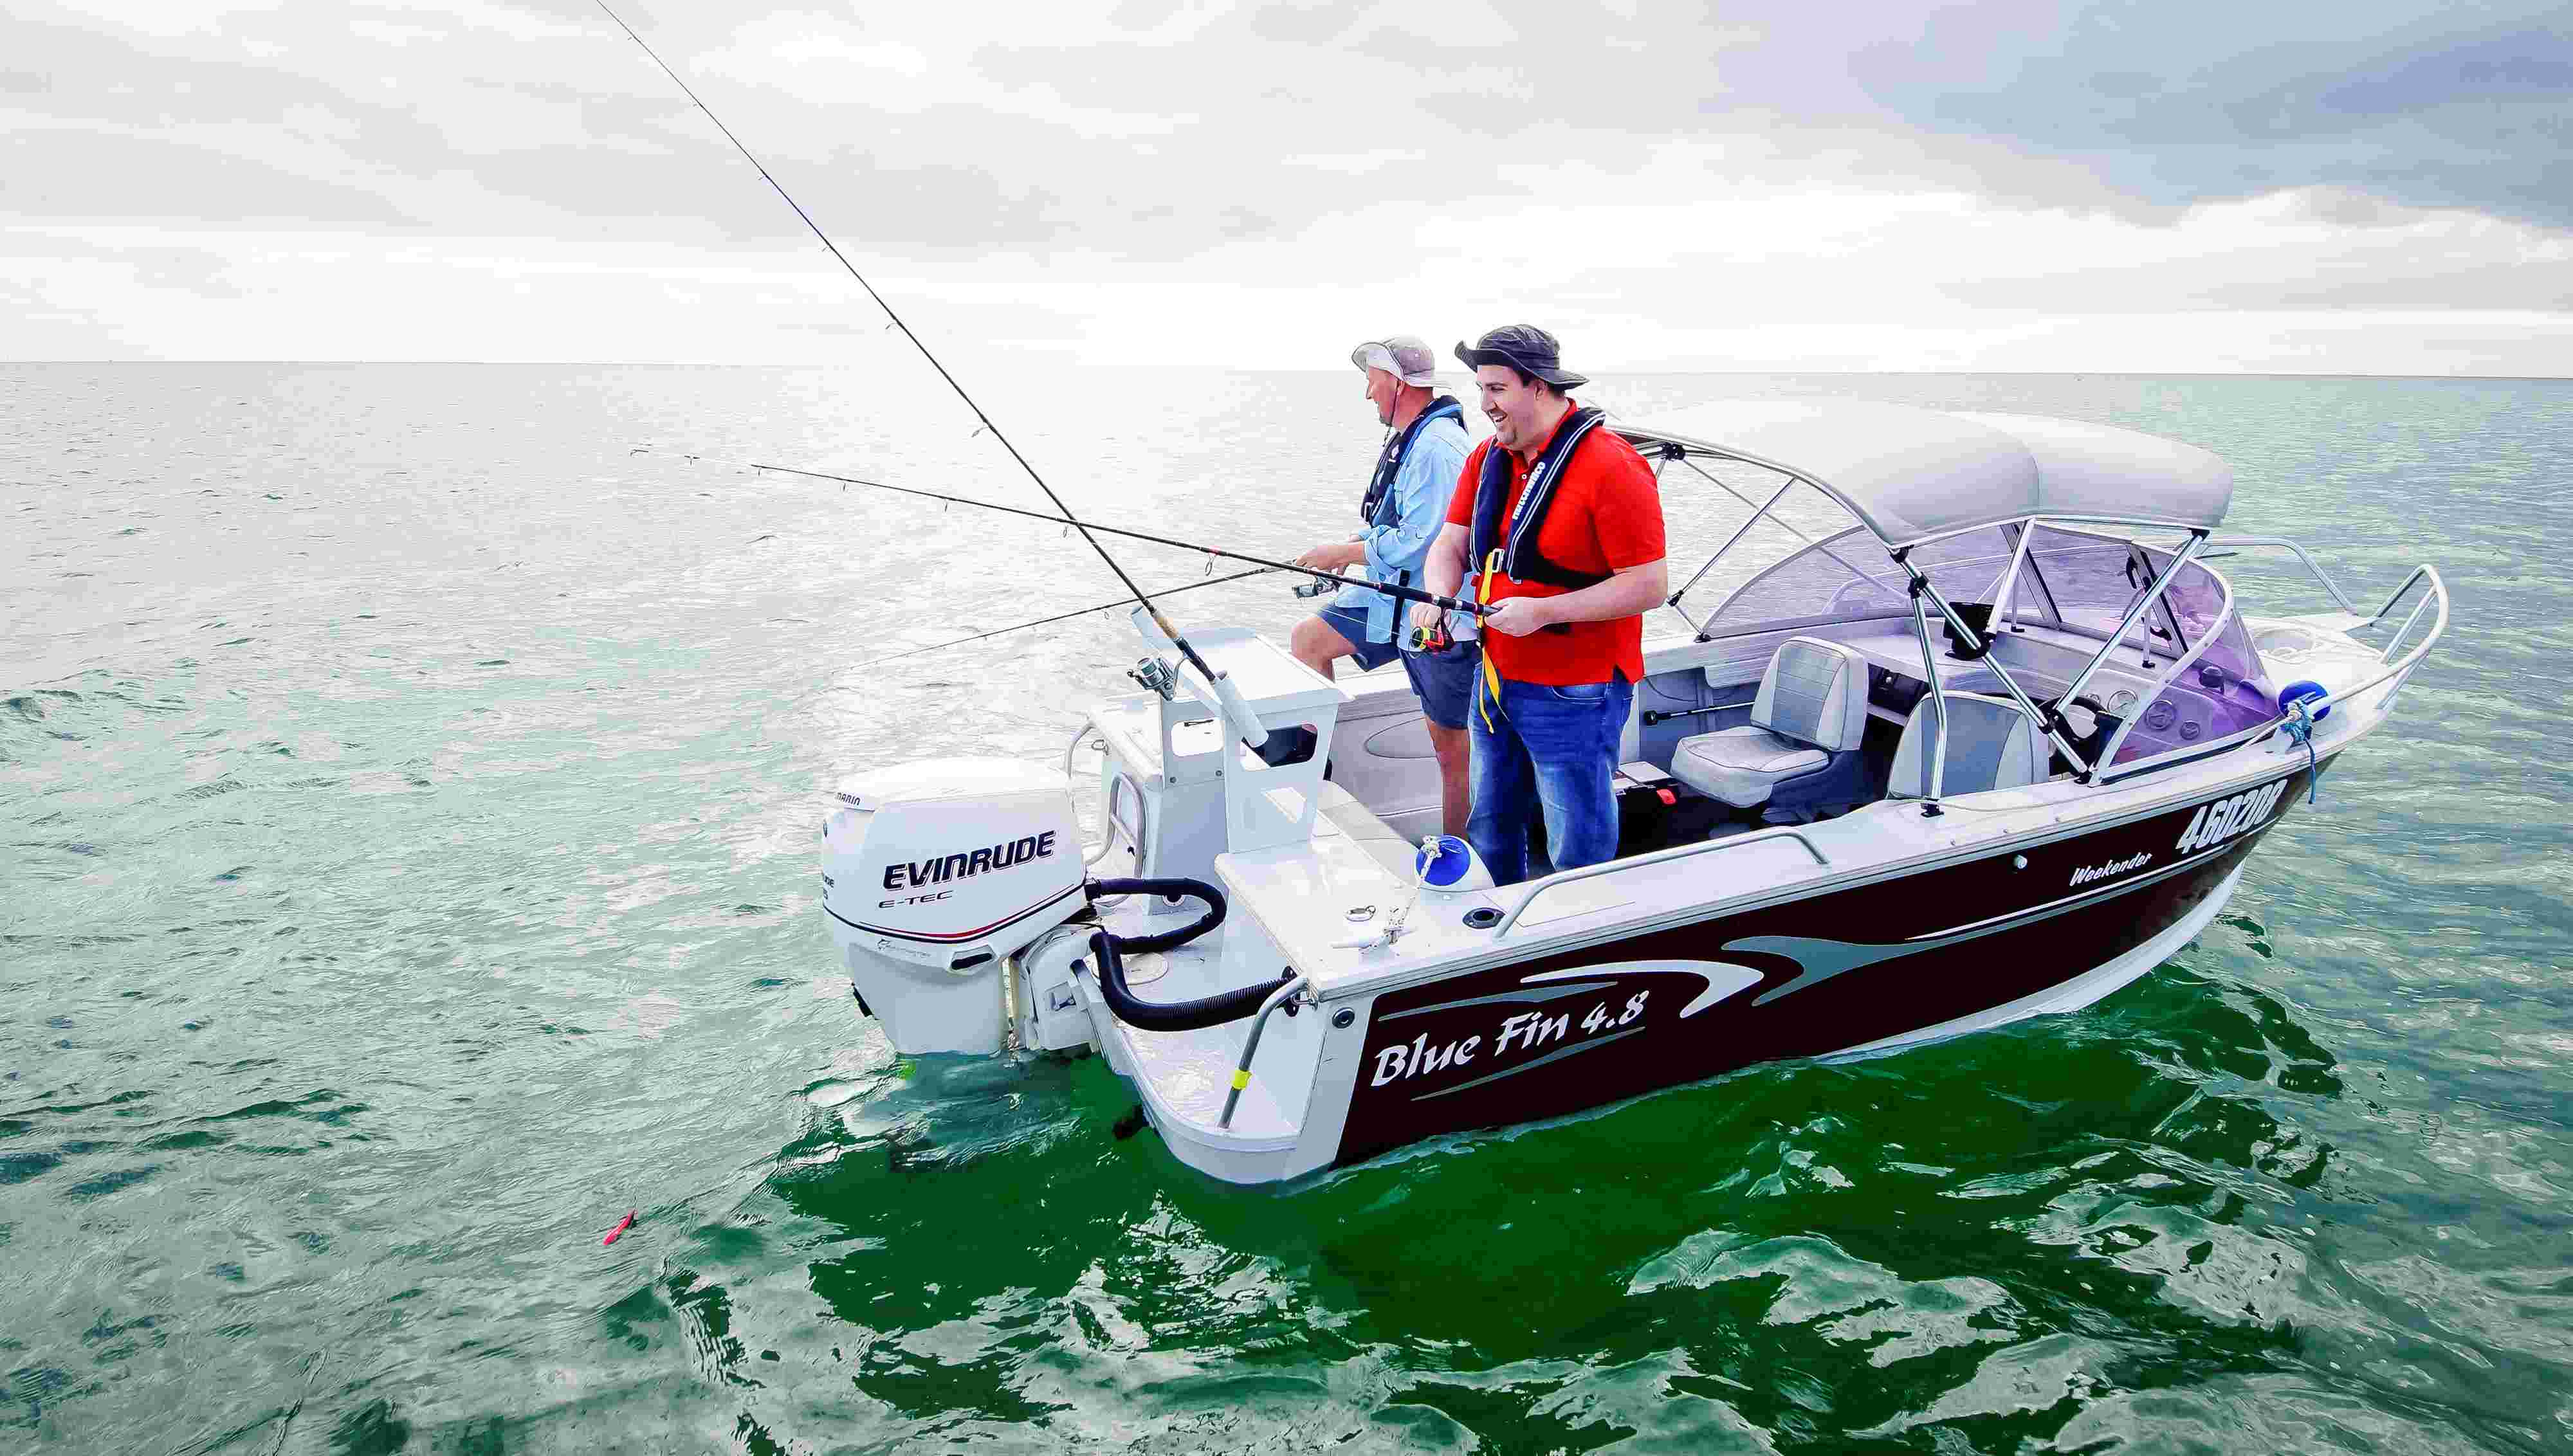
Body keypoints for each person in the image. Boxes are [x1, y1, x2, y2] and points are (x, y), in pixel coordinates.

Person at [1408, 325, 1666, 884]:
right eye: (1481, 389)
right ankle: (1497, 930)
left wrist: (1544, 611)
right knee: (1491, 825)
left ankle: (1583, 929)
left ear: (1540, 387)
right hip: (1496, 678)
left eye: (1498, 389)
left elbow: (1649, 586)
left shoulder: (1612, 466)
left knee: (1577, 839)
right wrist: (1437, 597)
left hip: (1577, 691)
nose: (1485, 405)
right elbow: (1449, 545)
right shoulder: (1486, 458)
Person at [1286, 335, 1478, 834]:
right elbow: (1396, 518)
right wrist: (1351, 547)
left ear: (1395, 383)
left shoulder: (1438, 447)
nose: (1368, 393)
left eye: (1372, 381)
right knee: (1310, 639)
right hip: (1388, 596)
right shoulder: (1412, 435)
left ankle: (1460, 851)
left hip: (1431, 609)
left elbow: (1427, 541)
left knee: (1451, 749)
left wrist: (1347, 554)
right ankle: (1314, 778)